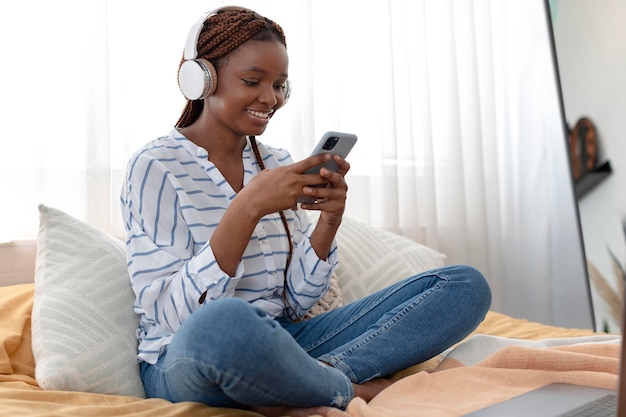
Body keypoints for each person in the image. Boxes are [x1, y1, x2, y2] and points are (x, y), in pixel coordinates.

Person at [120, 6, 492, 416]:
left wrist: (328, 223)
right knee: (225, 322)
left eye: (280, 85)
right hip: (190, 355)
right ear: (201, 77)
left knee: (464, 286)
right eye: (252, 81)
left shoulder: (276, 163)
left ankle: (302, 381)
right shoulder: (156, 166)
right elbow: (171, 316)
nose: (270, 98)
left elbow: (295, 305)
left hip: (290, 342)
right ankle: (343, 388)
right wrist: (247, 207)